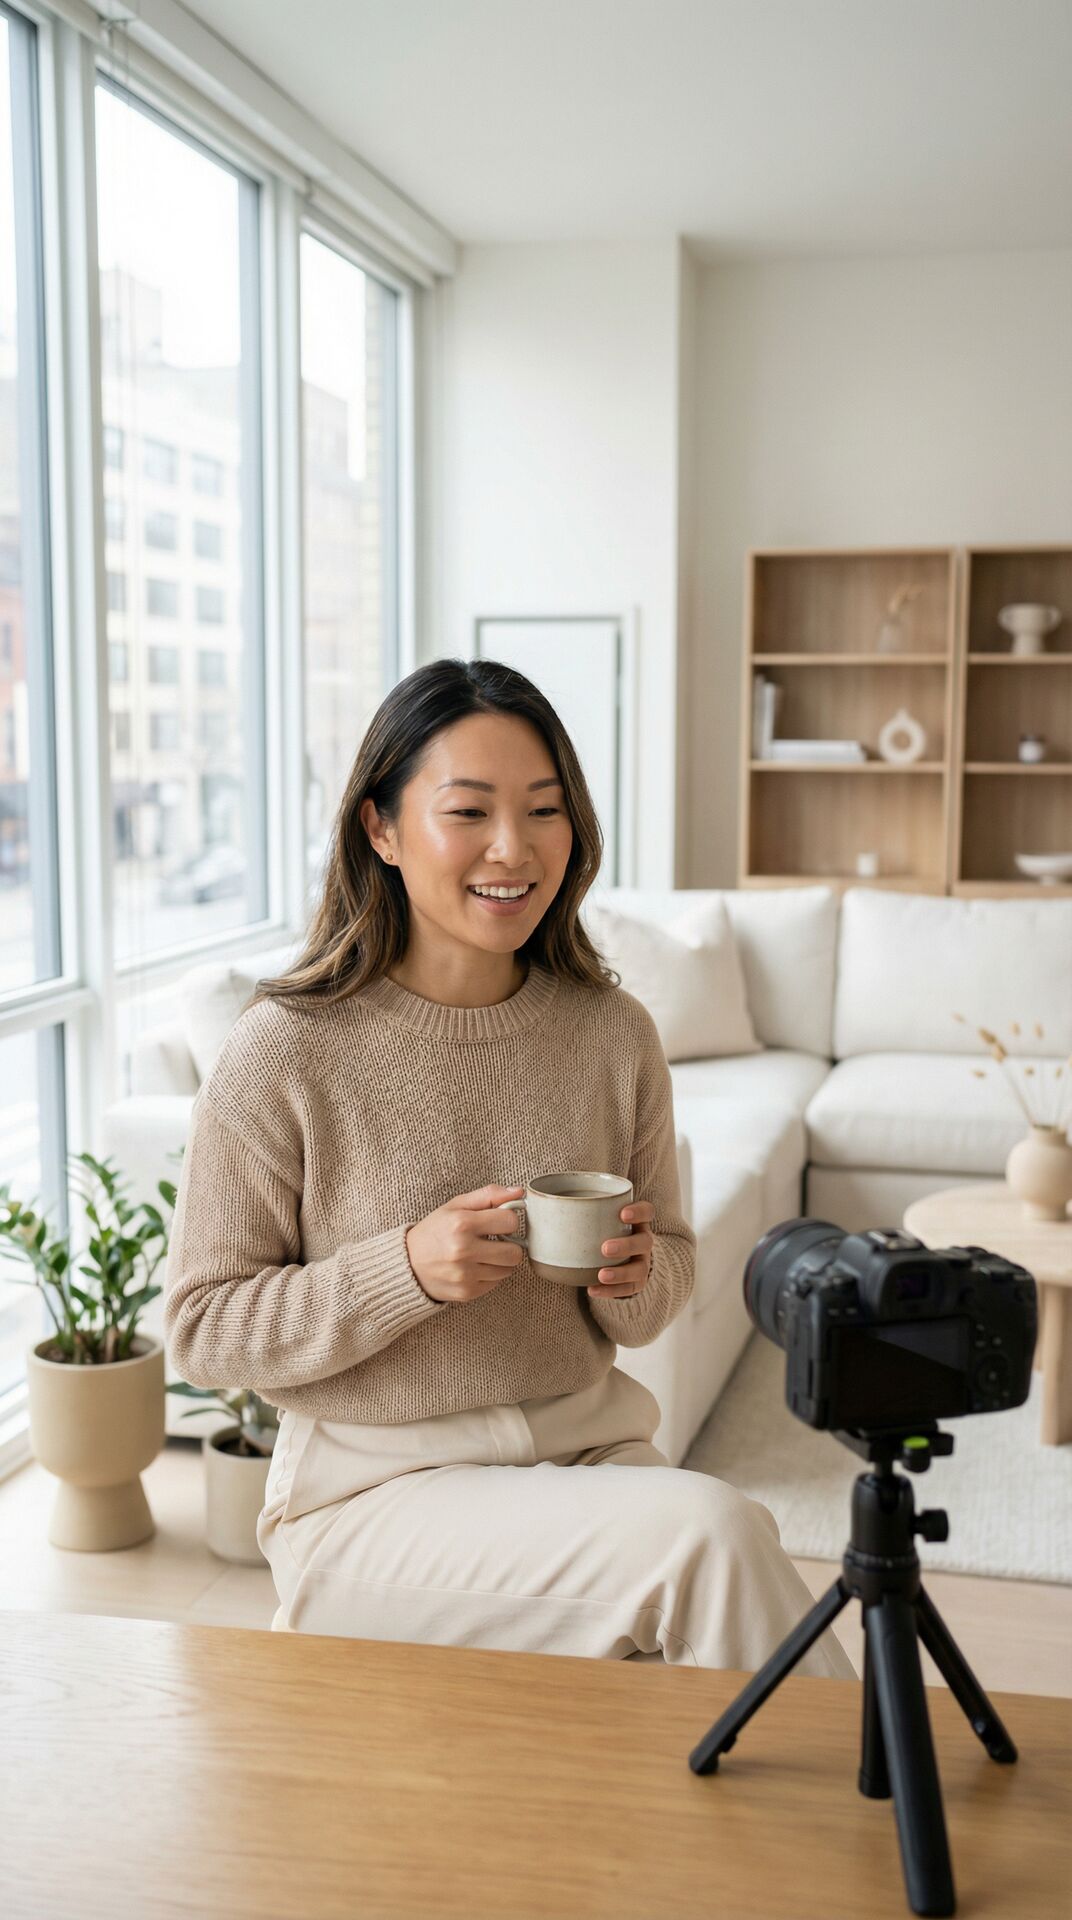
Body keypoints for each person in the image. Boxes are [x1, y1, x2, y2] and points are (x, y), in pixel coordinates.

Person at [164, 657, 855, 1679]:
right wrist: (404, 1269)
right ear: (380, 829)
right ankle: (872, 1783)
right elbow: (201, 1327)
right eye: (468, 811)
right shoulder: (285, 1050)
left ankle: (844, 1778)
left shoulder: (612, 1033)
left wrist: (631, 1277)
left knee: (705, 1609)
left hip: (588, 1455)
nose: (513, 848)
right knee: (711, 1538)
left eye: (543, 809)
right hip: (374, 1494)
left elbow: (663, 1275)